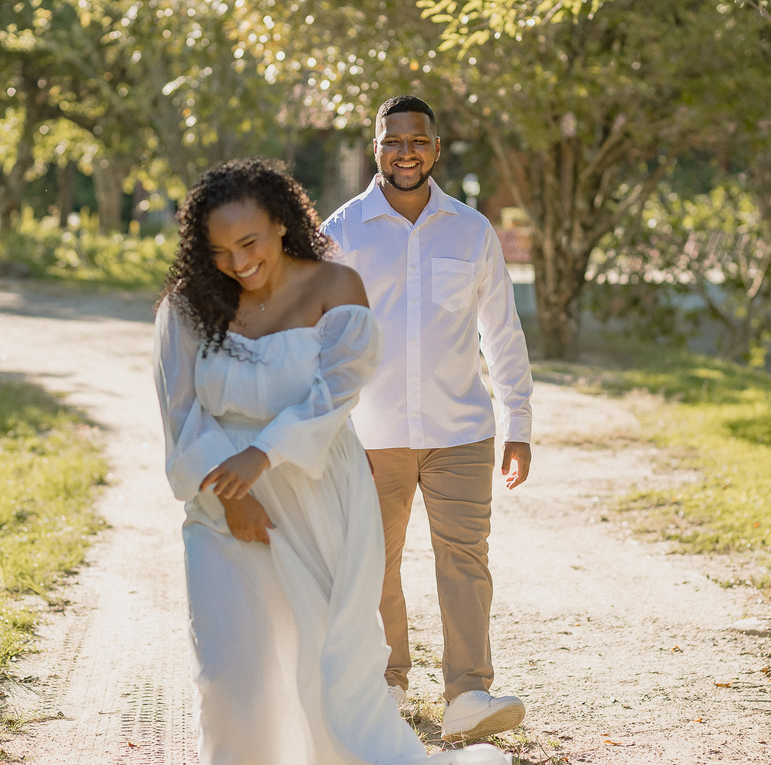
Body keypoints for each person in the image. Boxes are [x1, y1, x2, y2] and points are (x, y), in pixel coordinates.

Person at [153, 159, 507, 765]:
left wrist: (265, 453)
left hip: (320, 492)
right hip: (221, 497)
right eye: (219, 251)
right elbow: (181, 415)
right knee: (228, 674)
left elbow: (337, 389)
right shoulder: (186, 308)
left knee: (326, 669)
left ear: (280, 224)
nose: (238, 262)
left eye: (249, 243)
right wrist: (235, 496)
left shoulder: (336, 286)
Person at [321, 96, 535, 743]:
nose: (405, 153)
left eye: (417, 141)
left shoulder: (471, 230)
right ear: (376, 148)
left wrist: (518, 423)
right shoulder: (343, 231)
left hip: (460, 432)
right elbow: (319, 333)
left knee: (465, 562)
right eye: (393, 141)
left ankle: (468, 694)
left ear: (436, 149)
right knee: (372, 564)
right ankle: (383, 681)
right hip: (371, 433)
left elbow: (502, 331)